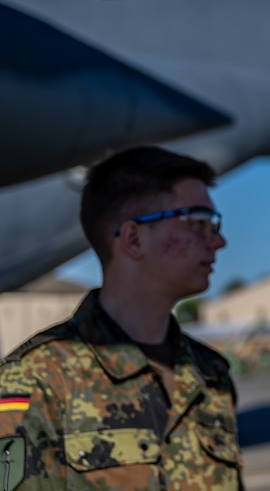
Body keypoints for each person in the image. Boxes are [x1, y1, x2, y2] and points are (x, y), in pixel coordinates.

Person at [0, 146, 242, 490]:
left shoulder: (211, 373)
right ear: (133, 237)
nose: (218, 241)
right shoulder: (38, 379)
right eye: (198, 223)